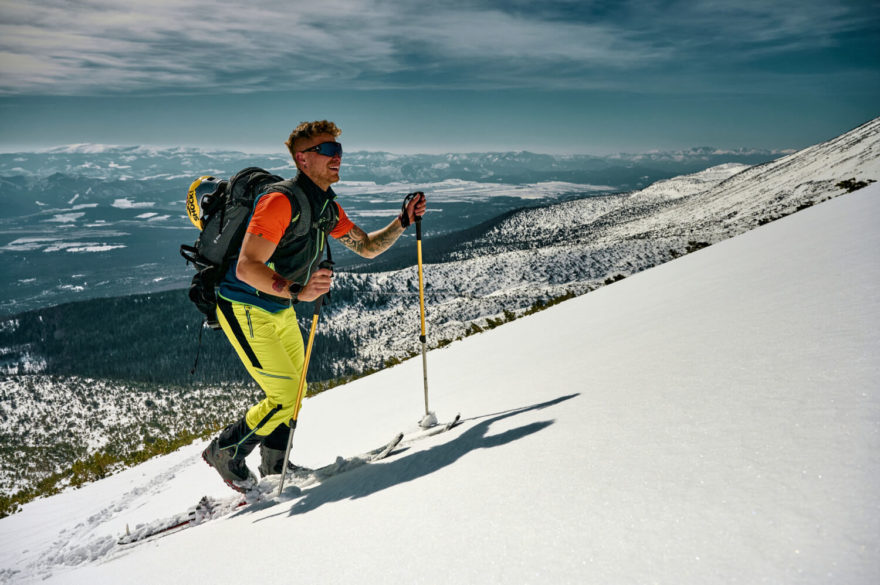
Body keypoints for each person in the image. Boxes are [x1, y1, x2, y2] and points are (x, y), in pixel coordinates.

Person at [202, 120, 427, 492]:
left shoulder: (325, 208)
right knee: (285, 393)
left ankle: (275, 463)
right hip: (244, 307)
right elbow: (246, 267)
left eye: (338, 151)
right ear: (302, 159)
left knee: (296, 389)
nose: (336, 158)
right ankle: (225, 451)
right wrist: (297, 292)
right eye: (327, 151)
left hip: (277, 307)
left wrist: (403, 221)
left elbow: (367, 246)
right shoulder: (279, 202)